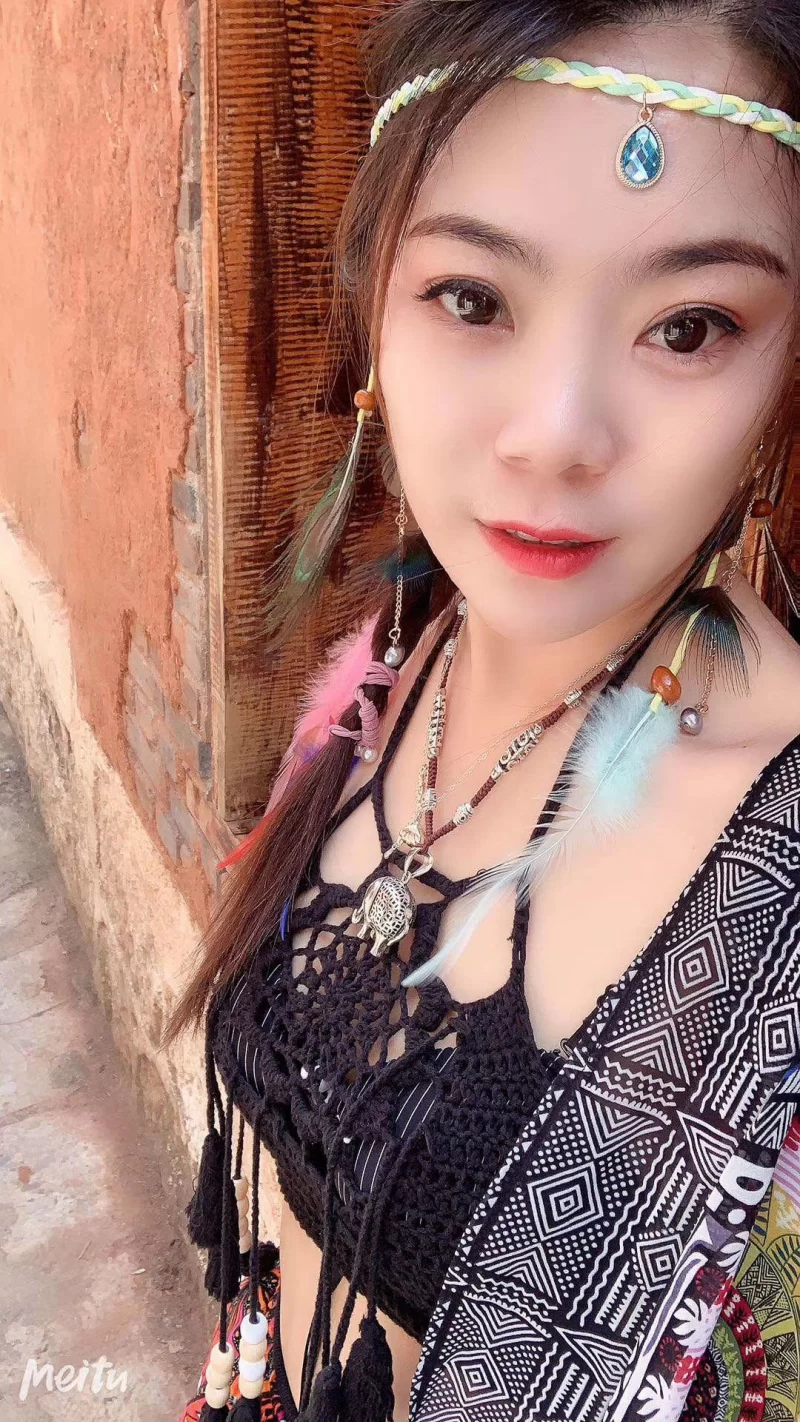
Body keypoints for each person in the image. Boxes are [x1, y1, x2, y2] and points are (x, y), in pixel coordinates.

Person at [167, 2, 800, 1419]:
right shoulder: (403, 645)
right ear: (373, 301)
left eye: (689, 326)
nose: (555, 435)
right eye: (473, 299)